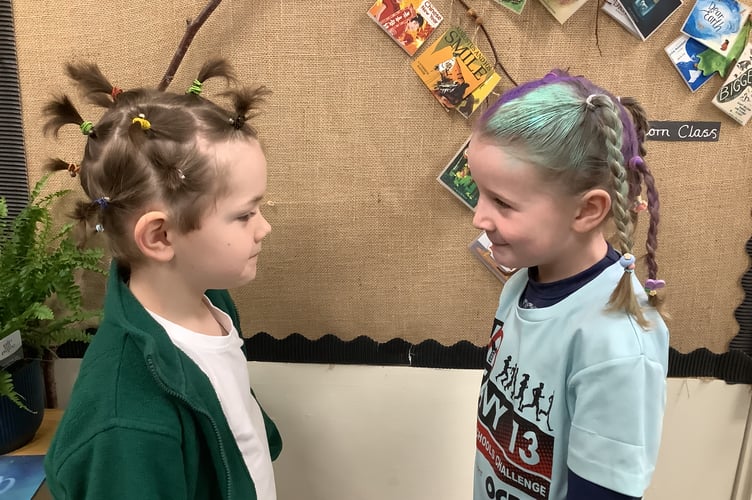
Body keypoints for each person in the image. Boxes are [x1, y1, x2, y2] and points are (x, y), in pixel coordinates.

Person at [42, 58, 282, 500]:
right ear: (160, 235)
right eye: (244, 214)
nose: (264, 227)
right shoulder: (126, 421)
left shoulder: (211, 302)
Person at [469, 69, 669, 500]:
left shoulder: (616, 344)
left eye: (502, 202)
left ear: (587, 211)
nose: (479, 219)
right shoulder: (520, 284)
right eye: (478, 192)